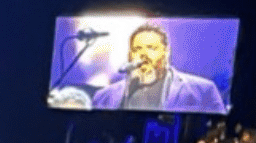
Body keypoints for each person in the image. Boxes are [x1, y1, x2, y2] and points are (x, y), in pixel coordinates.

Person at [88, 23, 226, 113]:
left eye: (151, 48)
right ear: (130, 55)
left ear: (166, 52)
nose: (143, 54)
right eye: (137, 49)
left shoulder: (203, 90)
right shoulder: (104, 96)